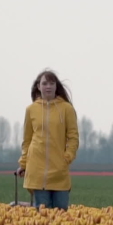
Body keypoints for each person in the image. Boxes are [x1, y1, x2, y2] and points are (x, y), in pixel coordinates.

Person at [16, 69, 80, 210]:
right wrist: (24, 163)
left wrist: (67, 157)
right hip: (37, 170)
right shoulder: (31, 110)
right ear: (39, 86)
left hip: (59, 170)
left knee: (61, 211)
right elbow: (27, 140)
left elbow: (73, 137)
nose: (48, 86)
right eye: (45, 83)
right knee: (43, 213)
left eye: (52, 83)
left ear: (56, 86)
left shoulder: (67, 109)